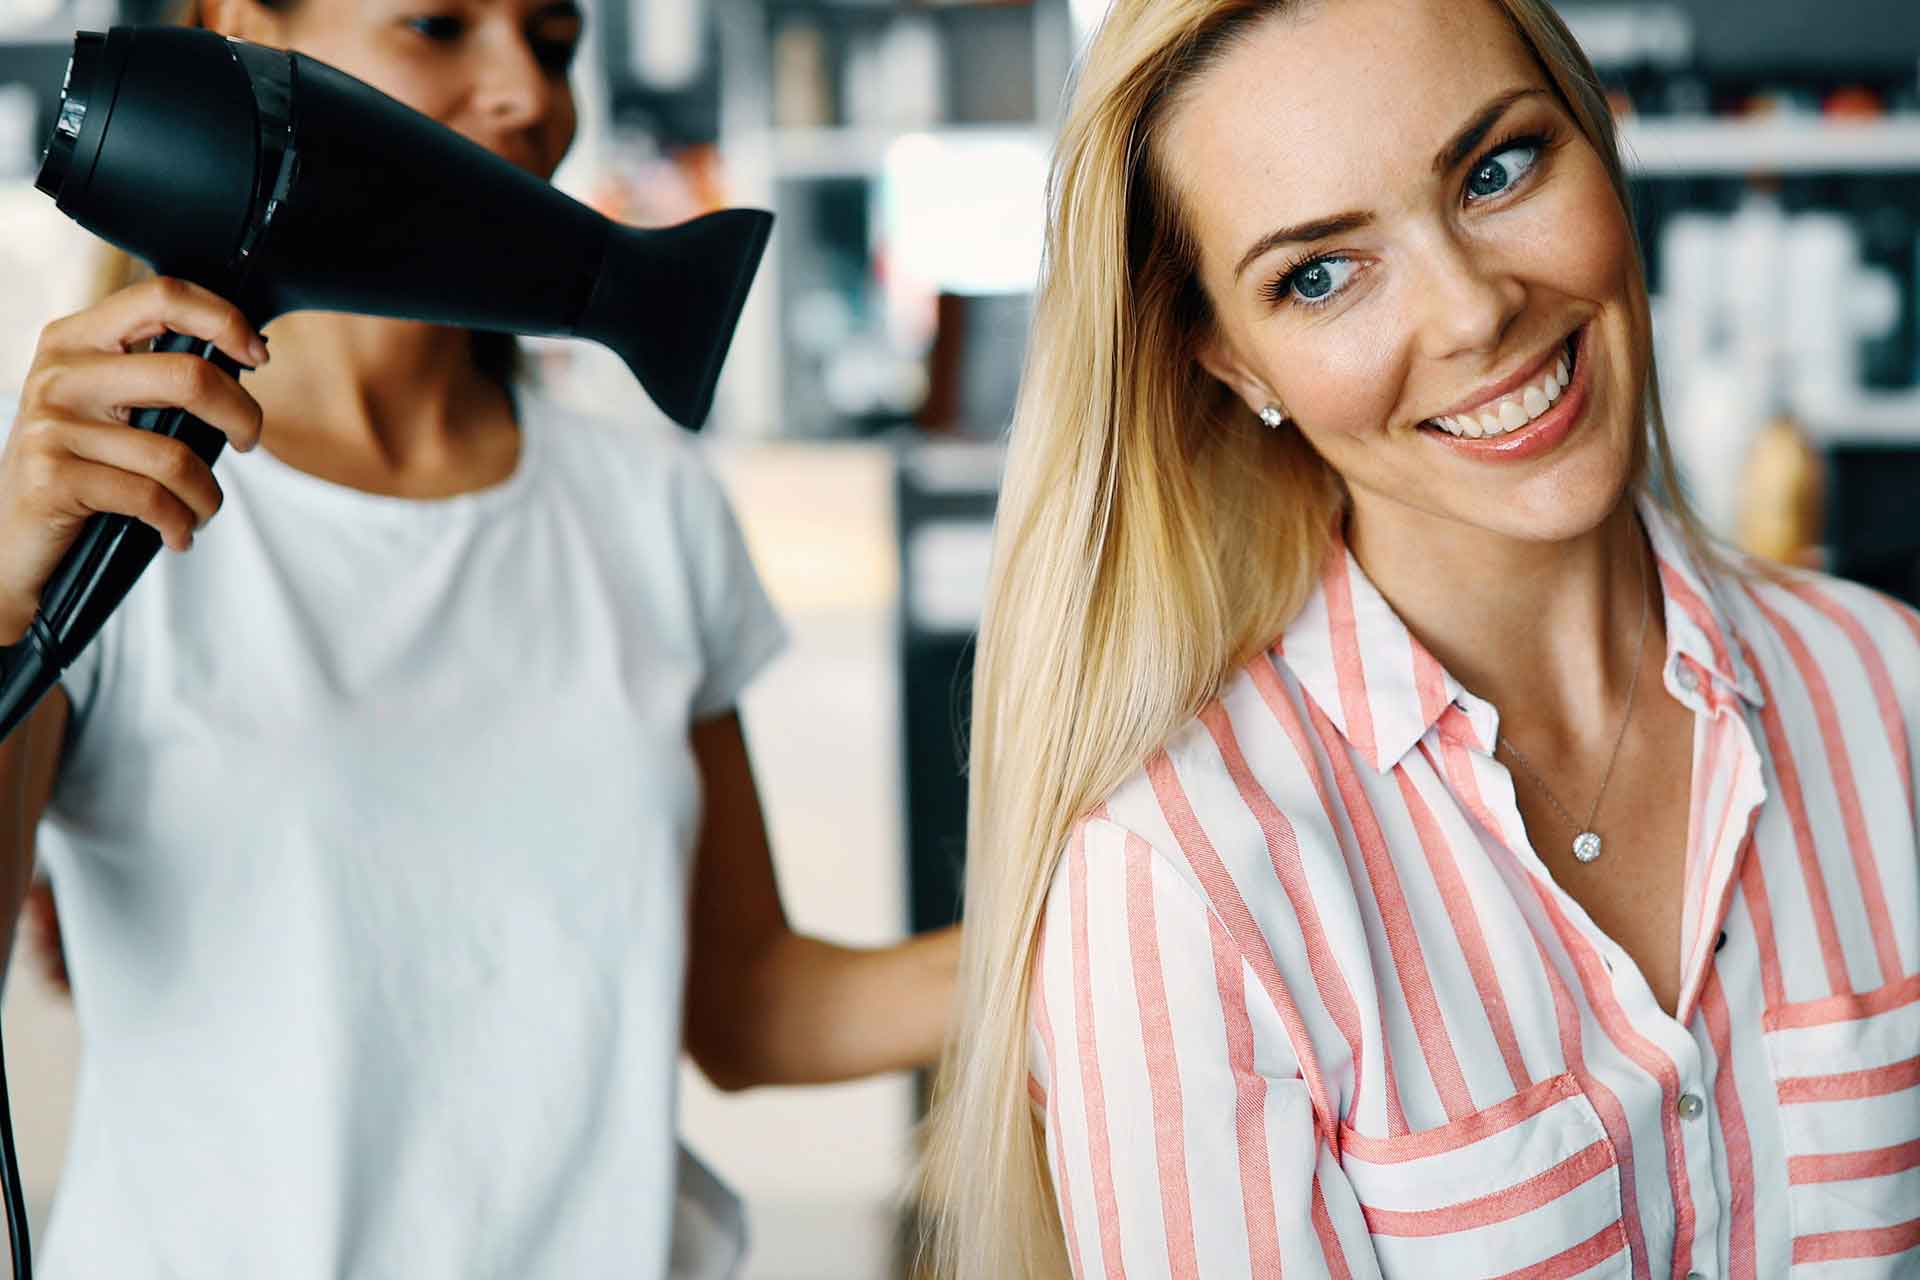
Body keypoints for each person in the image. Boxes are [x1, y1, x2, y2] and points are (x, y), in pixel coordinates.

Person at [919, 0, 1920, 1276]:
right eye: (1319, 274)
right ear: (1233, 361)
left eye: (1497, 170)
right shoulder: (1183, 878)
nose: (1471, 311)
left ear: (1599, 141)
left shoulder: (1892, 690)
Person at [0, 0, 957, 1275]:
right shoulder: (93, 507)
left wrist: (1107, 925)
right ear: (242, 36)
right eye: (438, 25)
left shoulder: (648, 506)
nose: (527, 94)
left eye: (553, 43)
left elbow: (747, 1006)